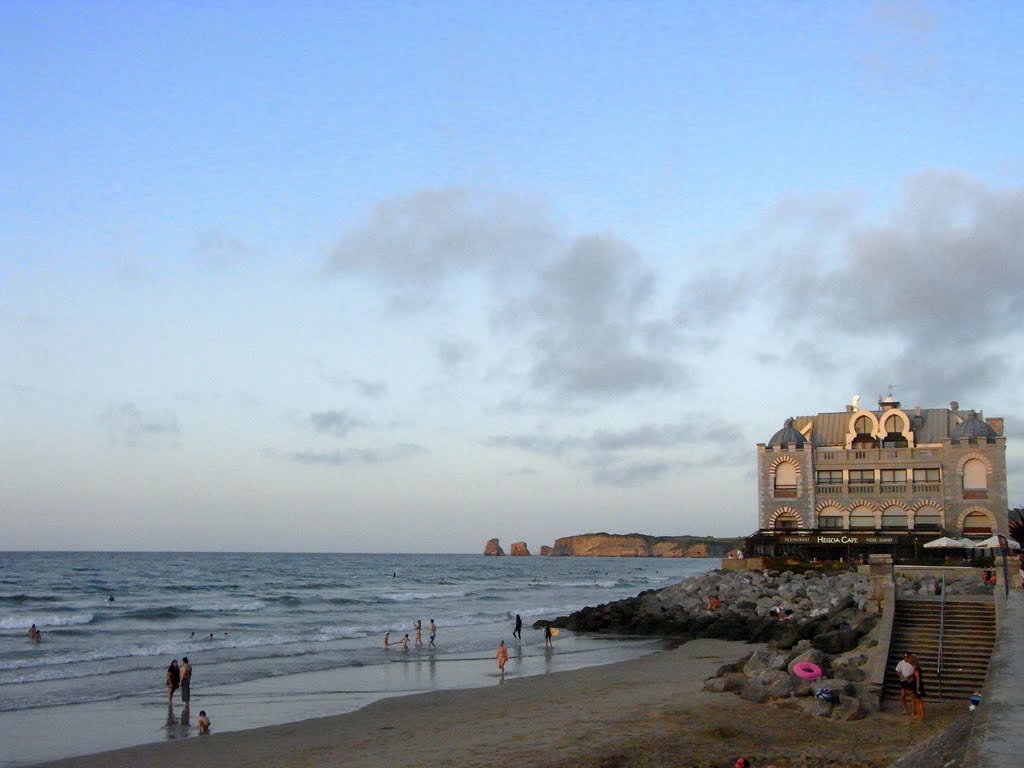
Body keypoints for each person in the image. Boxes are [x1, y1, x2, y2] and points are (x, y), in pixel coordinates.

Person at [895, 651, 915, 715]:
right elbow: (897, 670)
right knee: (903, 695)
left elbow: (915, 672)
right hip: (903, 681)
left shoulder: (912, 663)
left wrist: (909, 676)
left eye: (907, 657)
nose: (906, 658)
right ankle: (905, 709)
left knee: (912, 696)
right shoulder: (901, 663)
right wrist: (901, 676)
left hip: (911, 680)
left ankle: (913, 710)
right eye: (905, 657)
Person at [909, 654, 925, 721]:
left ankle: (921, 715)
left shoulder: (916, 669)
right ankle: (919, 714)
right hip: (917, 685)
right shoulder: (918, 668)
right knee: (916, 699)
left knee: (919, 700)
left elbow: (917, 679)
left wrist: (918, 688)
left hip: (917, 686)